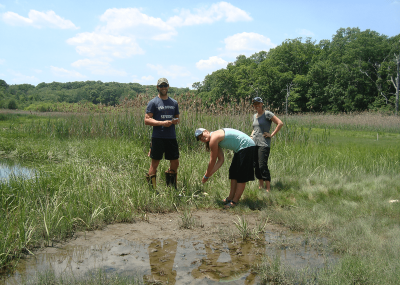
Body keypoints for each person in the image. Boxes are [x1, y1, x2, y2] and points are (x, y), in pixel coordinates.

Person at [195, 127, 256, 208]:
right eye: (200, 138)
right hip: (241, 148)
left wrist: (206, 176)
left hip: (247, 146)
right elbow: (221, 160)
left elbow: (212, 161)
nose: (202, 138)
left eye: (201, 135)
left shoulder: (213, 138)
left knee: (241, 175)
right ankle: (230, 198)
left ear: (206, 131)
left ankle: (234, 202)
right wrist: (209, 175)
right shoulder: (214, 139)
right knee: (233, 172)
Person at [145, 78, 180, 189]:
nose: (163, 88)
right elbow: (147, 120)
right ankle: (152, 189)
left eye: (165, 85)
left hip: (171, 137)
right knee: (155, 163)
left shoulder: (174, 103)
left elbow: (177, 118)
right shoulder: (153, 102)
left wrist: (174, 121)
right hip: (158, 137)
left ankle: (171, 187)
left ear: (168, 87)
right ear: (157, 87)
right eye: (161, 86)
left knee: (175, 161)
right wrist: (162, 123)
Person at [250, 97, 283, 192]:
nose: (257, 105)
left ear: (262, 104)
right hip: (254, 143)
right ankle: (261, 186)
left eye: (258, 103)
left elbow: (280, 123)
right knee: (255, 165)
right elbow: (255, 129)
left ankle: (268, 188)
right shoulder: (254, 116)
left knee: (262, 165)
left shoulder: (267, 114)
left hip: (264, 143)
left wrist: (271, 134)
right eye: (255, 104)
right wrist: (250, 137)